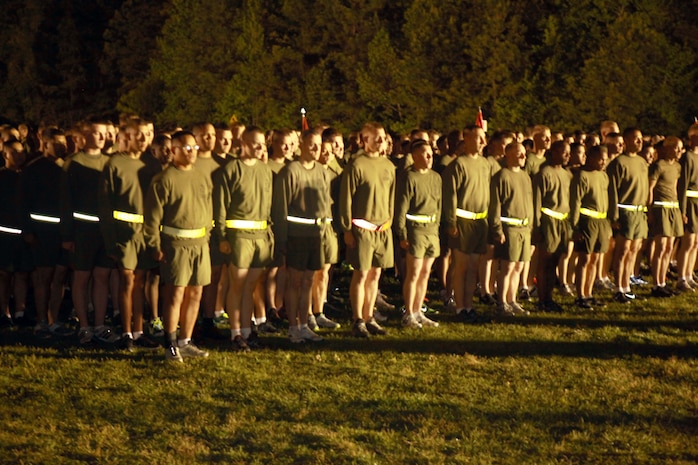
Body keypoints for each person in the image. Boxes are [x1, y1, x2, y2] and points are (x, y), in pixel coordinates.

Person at [144, 130, 212, 363]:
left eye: (194, 148)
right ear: (173, 150)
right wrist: (155, 244)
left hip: (200, 244)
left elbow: (208, 207)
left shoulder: (202, 176)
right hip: (176, 245)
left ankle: (186, 340)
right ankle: (170, 343)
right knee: (176, 294)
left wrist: (207, 237)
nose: (191, 152)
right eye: (186, 148)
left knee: (196, 293)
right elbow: (152, 217)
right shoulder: (164, 180)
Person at [99, 118, 160, 350]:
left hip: (146, 235)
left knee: (140, 283)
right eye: (139, 135)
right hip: (124, 235)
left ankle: (139, 331)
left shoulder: (152, 165)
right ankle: (125, 333)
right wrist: (111, 241)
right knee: (127, 281)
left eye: (147, 134)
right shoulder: (115, 164)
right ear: (127, 137)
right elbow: (105, 205)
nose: (144, 139)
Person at [213, 126, 274, 351]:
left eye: (263, 144)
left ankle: (248, 332)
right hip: (239, 237)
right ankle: (235, 333)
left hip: (260, 237)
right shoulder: (230, 170)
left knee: (250, 287)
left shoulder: (265, 170)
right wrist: (222, 237)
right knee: (237, 286)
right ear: (244, 143)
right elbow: (220, 207)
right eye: (255, 143)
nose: (260, 148)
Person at [60, 118, 119, 345]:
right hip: (82, 231)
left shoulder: (111, 162)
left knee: (102, 277)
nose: (102, 137)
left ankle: (100, 325)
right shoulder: (73, 163)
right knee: (82, 277)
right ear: (84, 136)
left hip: (105, 231)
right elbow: (65, 202)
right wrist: (67, 235)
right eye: (97, 133)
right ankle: (84, 325)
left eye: (105, 133)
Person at [272, 129, 334, 342]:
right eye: (312, 145)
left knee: (309, 280)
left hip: (315, 234)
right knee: (295, 281)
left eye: (319, 145)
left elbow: (325, 203)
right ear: (302, 146)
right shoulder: (290, 172)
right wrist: (283, 239)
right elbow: (280, 208)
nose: (317, 150)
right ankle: (293, 326)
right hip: (296, 234)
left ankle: (304, 323)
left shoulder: (322, 172)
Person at [339, 122, 395, 338]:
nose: (381, 142)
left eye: (383, 138)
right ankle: (357, 319)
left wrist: (389, 223)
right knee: (361, 274)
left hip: (382, 229)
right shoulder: (356, 165)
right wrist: (347, 228)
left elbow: (391, 197)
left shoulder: (389, 166)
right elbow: (346, 199)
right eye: (376, 138)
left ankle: (369, 315)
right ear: (365, 141)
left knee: (375, 274)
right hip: (362, 229)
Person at [20, 128, 73, 337]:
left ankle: (54, 320)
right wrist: (28, 230)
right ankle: (41, 321)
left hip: (63, 233)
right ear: (45, 144)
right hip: (42, 233)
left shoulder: (67, 167)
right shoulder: (33, 170)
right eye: (56, 143)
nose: (61, 147)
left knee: (59, 277)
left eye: (63, 143)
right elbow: (23, 202)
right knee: (43, 278)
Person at [443, 127, 490, 320]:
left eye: (483, 139)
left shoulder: (486, 164)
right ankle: (460, 307)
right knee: (461, 267)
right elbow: (450, 196)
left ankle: (469, 306)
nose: (482, 142)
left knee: (473, 267)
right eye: (478, 138)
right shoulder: (458, 165)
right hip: (462, 222)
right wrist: (451, 222)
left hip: (480, 221)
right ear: (467, 138)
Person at [395, 139, 441, 328]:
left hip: (431, 231)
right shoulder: (409, 177)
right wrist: (403, 233)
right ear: (414, 156)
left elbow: (439, 205)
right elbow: (401, 207)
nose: (430, 157)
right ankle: (408, 313)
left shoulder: (436, 177)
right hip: (415, 230)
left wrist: (437, 227)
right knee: (413, 273)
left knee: (425, 273)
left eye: (431, 153)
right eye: (425, 153)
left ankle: (418, 310)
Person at [489, 142, 534, 315]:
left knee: (519, 267)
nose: (523, 157)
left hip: (524, 228)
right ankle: (501, 302)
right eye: (519, 153)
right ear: (508, 155)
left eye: (524, 153)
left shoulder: (525, 176)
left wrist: (530, 226)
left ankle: (512, 299)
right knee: (507, 267)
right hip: (510, 228)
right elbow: (495, 205)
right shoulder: (501, 176)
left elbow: (529, 203)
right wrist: (497, 229)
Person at [607, 127, 649, 303]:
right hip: (626, 211)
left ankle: (627, 286)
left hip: (639, 212)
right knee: (623, 251)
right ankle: (619, 287)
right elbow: (612, 192)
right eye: (635, 138)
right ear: (626, 140)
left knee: (634, 251)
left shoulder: (641, 162)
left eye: (640, 138)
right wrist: (614, 216)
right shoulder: (618, 163)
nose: (640, 142)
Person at [569, 145, 611, 310]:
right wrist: (575, 226)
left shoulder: (603, 176)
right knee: (585, 259)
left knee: (595, 259)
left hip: (601, 221)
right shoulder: (582, 176)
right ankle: (580, 295)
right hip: (587, 222)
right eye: (601, 159)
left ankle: (589, 292)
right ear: (591, 157)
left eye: (605, 159)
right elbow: (575, 203)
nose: (603, 162)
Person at [533, 140, 572, 312]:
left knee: (555, 261)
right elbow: (536, 203)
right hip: (549, 222)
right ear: (554, 152)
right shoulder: (544, 174)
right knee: (545, 262)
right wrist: (537, 226)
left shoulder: (567, 174)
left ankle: (549, 298)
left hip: (563, 222)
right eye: (564, 152)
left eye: (569, 152)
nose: (567, 156)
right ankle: (542, 299)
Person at [648, 136, 684, 296]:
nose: (678, 151)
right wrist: (649, 210)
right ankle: (656, 284)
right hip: (660, 208)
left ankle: (663, 281)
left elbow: (675, 188)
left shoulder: (677, 167)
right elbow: (650, 188)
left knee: (669, 247)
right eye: (676, 147)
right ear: (667, 148)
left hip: (673, 208)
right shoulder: (658, 166)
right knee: (661, 247)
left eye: (680, 148)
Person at [0, 140, 29, 330]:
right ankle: (4, 313)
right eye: (14, 152)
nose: (19, 156)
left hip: (24, 233)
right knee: (4, 275)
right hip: (4, 233)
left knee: (22, 274)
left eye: (21, 152)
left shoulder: (26, 176)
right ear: (5, 154)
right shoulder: (2, 176)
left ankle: (20, 312)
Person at [676, 124, 698, 291]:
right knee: (688, 241)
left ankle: (689, 274)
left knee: (695, 242)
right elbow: (682, 186)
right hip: (690, 203)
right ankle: (681, 277)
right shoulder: (687, 157)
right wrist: (682, 210)